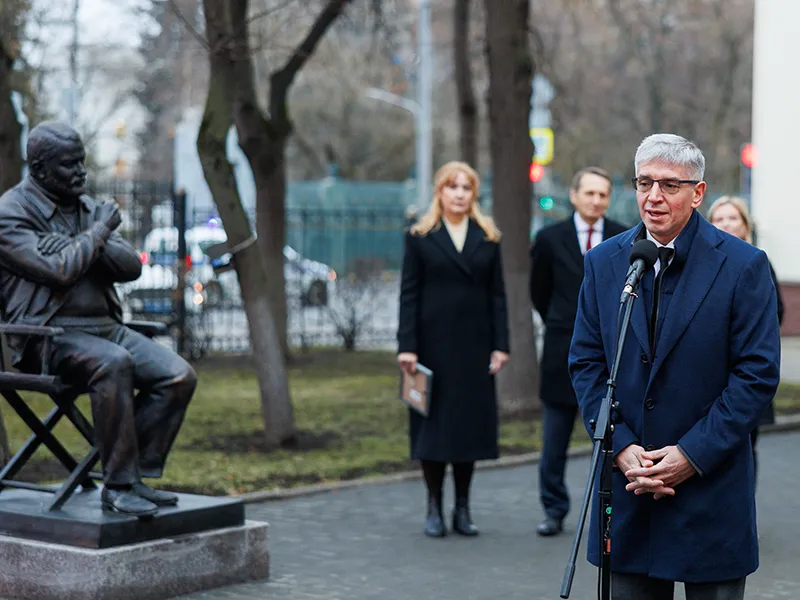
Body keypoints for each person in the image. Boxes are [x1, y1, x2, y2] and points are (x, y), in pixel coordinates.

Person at [569, 133, 780, 599]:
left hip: (710, 490)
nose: (653, 197)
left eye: (669, 185)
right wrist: (621, 448)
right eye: (644, 183)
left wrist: (690, 456)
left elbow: (757, 374)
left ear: (698, 192)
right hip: (630, 492)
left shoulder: (744, 266)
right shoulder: (605, 263)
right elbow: (586, 362)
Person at [0, 121, 197, 518]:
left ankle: (133, 472)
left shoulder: (88, 208)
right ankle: (119, 486)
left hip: (106, 329)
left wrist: (85, 241)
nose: (81, 173)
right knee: (113, 364)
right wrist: (99, 233)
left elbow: (130, 268)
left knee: (177, 375)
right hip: (46, 338)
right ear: (38, 168)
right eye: (69, 165)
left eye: (83, 163)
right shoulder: (10, 214)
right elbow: (59, 271)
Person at [397, 160, 510, 538]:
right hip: (431, 348)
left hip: (474, 348)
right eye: (453, 187)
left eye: (466, 188)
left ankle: (462, 508)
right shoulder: (419, 236)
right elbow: (408, 295)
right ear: (440, 192)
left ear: (474, 194)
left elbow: (498, 296)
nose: (460, 194)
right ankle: (433, 507)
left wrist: (500, 345)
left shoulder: (488, 236)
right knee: (434, 431)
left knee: (467, 431)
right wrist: (407, 346)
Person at [528, 166, 627, 537]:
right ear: (574, 195)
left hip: (609, 357)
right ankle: (553, 509)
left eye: (603, 194)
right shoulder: (550, 239)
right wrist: (558, 322)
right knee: (554, 441)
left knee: (609, 440)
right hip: (560, 352)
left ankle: (610, 510)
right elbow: (539, 291)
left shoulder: (622, 237)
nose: (596, 200)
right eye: (589, 193)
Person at [707, 195, 784, 481]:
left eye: (732, 218)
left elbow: (775, 315)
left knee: (743, 453)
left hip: (743, 374)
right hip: (709, 379)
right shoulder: (702, 266)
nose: (725, 223)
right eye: (719, 218)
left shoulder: (757, 263)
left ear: (745, 225)